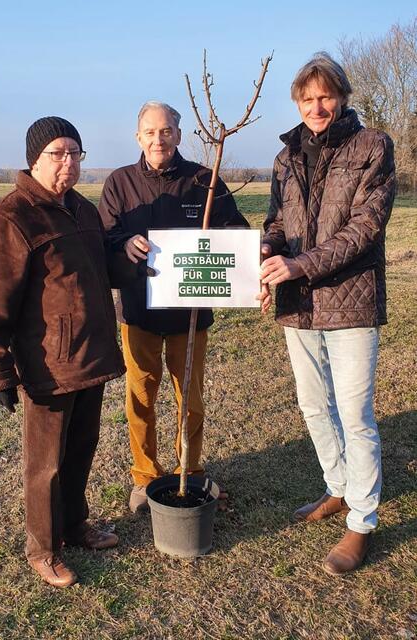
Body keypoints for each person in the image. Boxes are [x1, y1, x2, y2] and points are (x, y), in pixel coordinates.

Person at [0, 116, 144, 587]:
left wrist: (127, 261)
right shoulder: (10, 217)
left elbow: (100, 270)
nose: (68, 162)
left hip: (91, 355)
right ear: (35, 159)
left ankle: (74, 525)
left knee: (81, 449)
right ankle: (43, 550)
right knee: (44, 463)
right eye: (58, 153)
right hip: (47, 363)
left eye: (75, 153)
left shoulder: (83, 211)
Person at [260, 53, 395, 575]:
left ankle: (362, 521)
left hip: (351, 299)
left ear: (341, 97)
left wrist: (299, 266)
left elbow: (365, 227)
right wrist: (270, 255)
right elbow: (276, 221)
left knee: (356, 416)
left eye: (325, 96)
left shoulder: (372, 146)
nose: (316, 107)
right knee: (314, 406)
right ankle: (338, 488)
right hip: (299, 306)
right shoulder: (286, 154)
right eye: (307, 99)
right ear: (298, 102)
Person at [98, 101, 250, 512]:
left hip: (191, 316)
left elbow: (236, 232)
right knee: (141, 397)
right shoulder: (119, 183)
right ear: (138, 138)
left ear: (179, 135)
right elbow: (105, 237)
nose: (158, 139)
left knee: (191, 397)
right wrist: (125, 245)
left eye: (166, 131)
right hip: (138, 313)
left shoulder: (204, 180)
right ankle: (145, 475)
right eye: (149, 132)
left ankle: (192, 469)